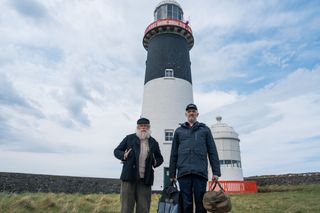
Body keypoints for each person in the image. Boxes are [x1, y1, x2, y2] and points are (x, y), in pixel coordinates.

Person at [169, 104, 221, 213]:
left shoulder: (205, 130)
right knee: (185, 204)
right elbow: (173, 154)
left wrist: (216, 172)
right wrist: (172, 173)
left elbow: (212, 152)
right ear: (186, 114)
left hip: (200, 172)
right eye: (189, 111)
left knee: (201, 204)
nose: (191, 113)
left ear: (197, 114)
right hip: (184, 173)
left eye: (193, 111)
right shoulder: (178, 131)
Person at [114, 117, 164, 213]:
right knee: (126, 208)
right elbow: (116, 151)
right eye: (141, 126)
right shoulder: (129, 138)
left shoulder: (153, 142)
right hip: (129, 178)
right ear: (137, 127)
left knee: (144, 208)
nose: (143, 128)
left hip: (145, 180)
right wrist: (123, 155)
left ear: (149, 127)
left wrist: (155, 162)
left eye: (146, 126)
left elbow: (160, 158)